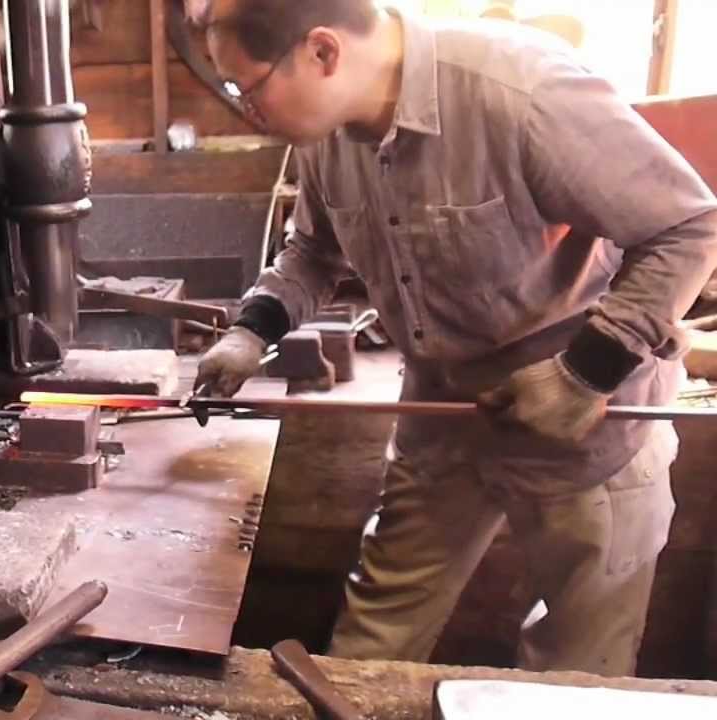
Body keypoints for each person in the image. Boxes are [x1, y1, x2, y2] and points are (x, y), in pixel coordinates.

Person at [191, 0, 717, 676]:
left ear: (322, 53)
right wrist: (249, 331)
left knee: (580, 669)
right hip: (444, 423)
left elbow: (689, 227)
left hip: (590, 431)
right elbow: (313, 254)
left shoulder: (520, 92)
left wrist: (587, 371)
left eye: (248, 87)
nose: (247, 112)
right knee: (368, 652)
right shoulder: (327, 130)